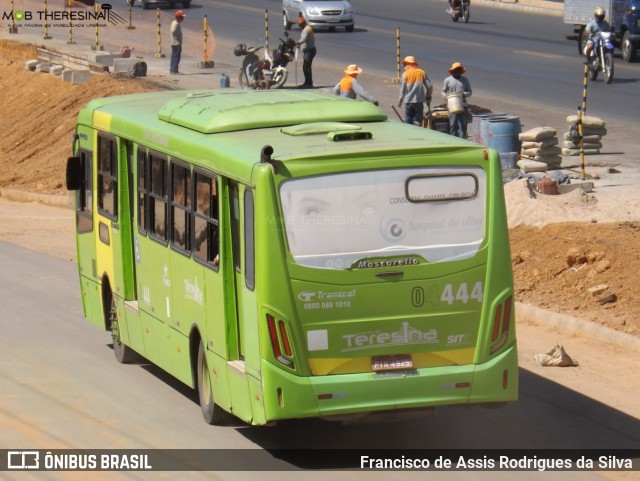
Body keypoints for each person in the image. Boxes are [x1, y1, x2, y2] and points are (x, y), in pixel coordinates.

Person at [397, 56, 433, 126]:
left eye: (405, 64)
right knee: (418, 122)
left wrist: (400, 100)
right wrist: (428, 95)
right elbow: (430, 87)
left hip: (408, 101)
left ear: (408, 64)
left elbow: (403, 89)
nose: (404, 66)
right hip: (419, 101)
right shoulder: (422, 72)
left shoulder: (405, 74)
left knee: (408, 121)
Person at [441, 61, 472, 139]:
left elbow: (470, 92)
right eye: (456, 70)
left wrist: (464, 94)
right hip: (451, 105)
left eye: (459, 70)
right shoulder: (447, 80)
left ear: (461, 71)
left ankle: (463, 140)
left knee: (463, 124)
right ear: (453, 71)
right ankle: (453, 139)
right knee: (453, 124)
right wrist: (446, 97)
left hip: (463, 105)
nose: (457, 72)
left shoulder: (465, 80)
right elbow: (443, 91)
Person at [295, 16, 316, 88]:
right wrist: (299, 44)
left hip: (309, 51)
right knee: (306, 67)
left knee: (306, 67)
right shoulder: (307, 28)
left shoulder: (306, 29)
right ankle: (307, 82)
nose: (299, 26)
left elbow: (303, 39)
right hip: (310, 50)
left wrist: (297, 43)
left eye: (299, 25)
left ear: (301, 24)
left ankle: (309, 83)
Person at [170, 11, 185, 75]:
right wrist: (176, 38)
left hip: (175, 42)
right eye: (182, 17)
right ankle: (174, 70)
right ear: (178, 17)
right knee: (176, 56)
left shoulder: (176, 23)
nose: (183, 18)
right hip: (176, 43)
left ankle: (172, 69)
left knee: (174, 56)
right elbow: (173, 31)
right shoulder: (175, 24)